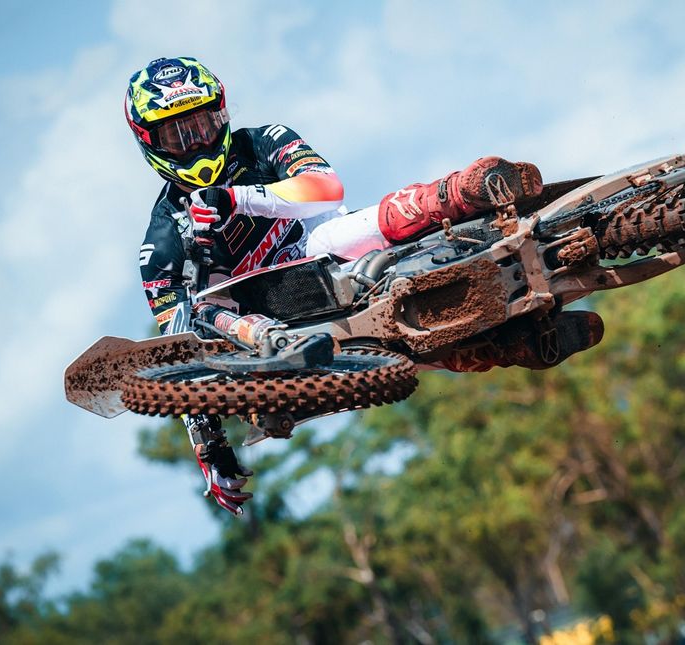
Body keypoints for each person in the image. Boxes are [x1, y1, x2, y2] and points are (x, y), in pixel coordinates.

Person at [127, 57, 603, 515]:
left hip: (323, 248)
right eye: (178, 135)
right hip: (277, 321)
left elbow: (325, 187)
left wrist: (239, 199)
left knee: (346, 229)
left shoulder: (262, 141)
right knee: (214, 314)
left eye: (203, 124)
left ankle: (461, 190)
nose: (196, 142)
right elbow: (179, 349)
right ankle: (508, 347)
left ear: (222, 113)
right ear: (152, 143)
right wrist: (209, 447)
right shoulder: (161, 240)